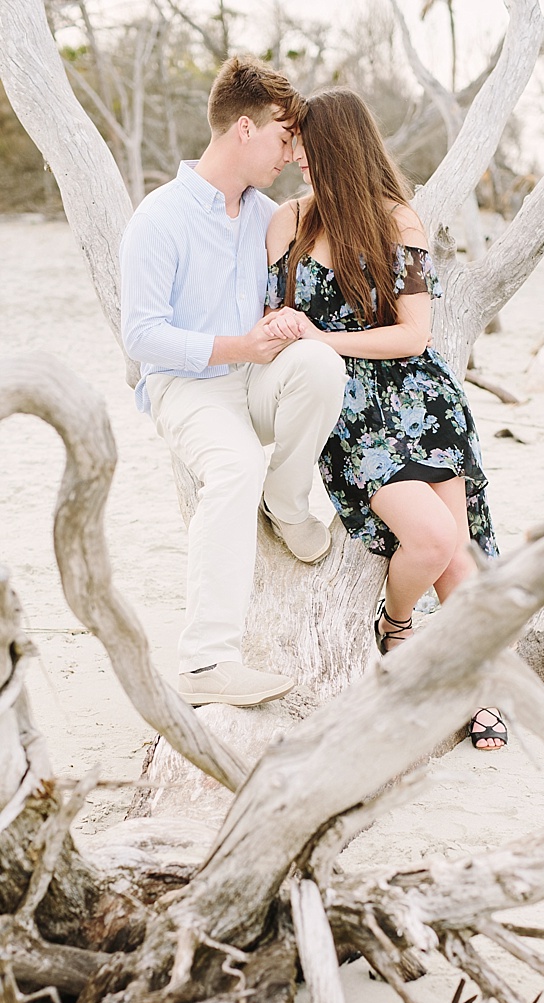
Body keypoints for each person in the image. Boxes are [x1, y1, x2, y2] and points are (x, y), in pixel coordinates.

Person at [264, 88, 507, 750]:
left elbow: (412, 337)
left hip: (421, 402)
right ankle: (396, 627)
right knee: (430, 541)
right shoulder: (286, 221)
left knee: (459, 564)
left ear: (336, 146)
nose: (297, 160)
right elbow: (269, 319)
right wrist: (295, 338)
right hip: (347, 411)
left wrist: (319, 337)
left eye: (306, 148)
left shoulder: (397, 220)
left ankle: (473, 689)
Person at [119, 57, 346, 708]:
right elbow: (141, 334)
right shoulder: (159, 218)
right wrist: (237, 344)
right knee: (236, 464)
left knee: (318, 362)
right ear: (244, 128)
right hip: (187, 387)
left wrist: (280, 328)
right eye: (282, 137)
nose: (289, 151)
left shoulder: (266, 215)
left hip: (257, 378)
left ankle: (288, 500)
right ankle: (205, 663)